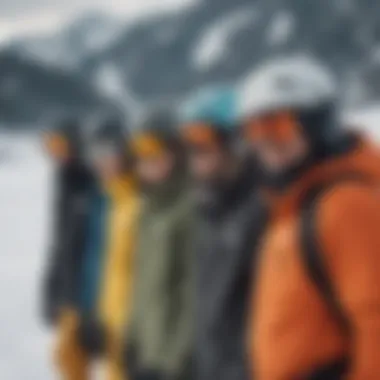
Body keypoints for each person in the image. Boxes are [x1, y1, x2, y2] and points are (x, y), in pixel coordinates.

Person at [239, 55, 380, 380]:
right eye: (254, 129)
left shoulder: (345, 204)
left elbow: (375, 319)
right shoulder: (292, 204)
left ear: (319, 124)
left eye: (278, 125)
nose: (265, 140)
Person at [179, 86, 266, 380]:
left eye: (202, 145)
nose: (193, 157)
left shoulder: (264, 213)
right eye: (187, 145)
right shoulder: (210, 211)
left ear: (238, 144)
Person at [55, 117, 140, 380]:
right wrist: (85, 307)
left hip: (125, 321)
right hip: (96, 307)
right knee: (66, 356)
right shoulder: (99, 196)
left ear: (124, 153)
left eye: (107, 152)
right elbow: (91, 256)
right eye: (95, 153)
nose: (100, 161)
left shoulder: (136, 199)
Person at [125, 108, 194, 380]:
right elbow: (142, 284)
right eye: (139, 150)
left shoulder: (190, 208)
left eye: (154, 150)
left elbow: (191, 290)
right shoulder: (150, 208)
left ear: (176, 153)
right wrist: (133, 339)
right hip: (147, 352)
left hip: (173, 362)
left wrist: (179, 359)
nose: (146, 159)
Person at [42, 118, 93, 326]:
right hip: (68, 293)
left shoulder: (92, 178)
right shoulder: (64, 178)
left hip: (88, 297)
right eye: (51, 147)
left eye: (59, 146)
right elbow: (60, 241)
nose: (55, 154)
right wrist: (52, 291)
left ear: (75, 144)